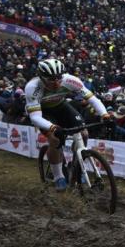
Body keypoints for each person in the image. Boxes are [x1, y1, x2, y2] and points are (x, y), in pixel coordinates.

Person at [25, 59, 109, 191]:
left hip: (61, 105)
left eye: (59, 77)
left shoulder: (70, 80)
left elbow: (92, 99)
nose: (56, 82)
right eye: (51, 79)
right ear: (42, 77)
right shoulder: (32, 88)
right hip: (43, 112)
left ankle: (78, 167)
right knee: (55, 139)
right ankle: (58, 177)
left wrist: (105, 115)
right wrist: (52, 128)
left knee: (83, 133)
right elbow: (35, 117)